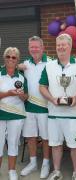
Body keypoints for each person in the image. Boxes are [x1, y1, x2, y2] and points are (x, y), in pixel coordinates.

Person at [39, 33, 76, 180]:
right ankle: (56, 171)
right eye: (58, 45)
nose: (61, 47)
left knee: (75, 145)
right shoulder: (48, 66)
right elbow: (42, 87)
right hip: (54, 113)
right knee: (55, 144)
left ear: (70, 46)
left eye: (64, 45)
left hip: (73, 114)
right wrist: (51, 98)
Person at [20, 36, 51, 179]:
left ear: (42, 47)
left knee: (46, 138)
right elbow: (10, 66)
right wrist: (16, 66)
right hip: (29, 107)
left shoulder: (51, 63)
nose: (34, 49)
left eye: (36, 46)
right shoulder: (26, 64)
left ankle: (45, 163)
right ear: (29, 48)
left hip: (45, 108)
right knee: (30, 137)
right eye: (31, 47)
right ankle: (33, 163)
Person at [0, 47, 28, 180]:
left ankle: (12, 171)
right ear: (4, 58)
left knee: (13, 143)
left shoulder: (22, 77)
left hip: (16, 115)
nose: (11, 59)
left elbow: (26, 97)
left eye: (14, 57)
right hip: (0, 114)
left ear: (17, 60)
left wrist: (22, 95)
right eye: (8, 57)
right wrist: (8, 93)